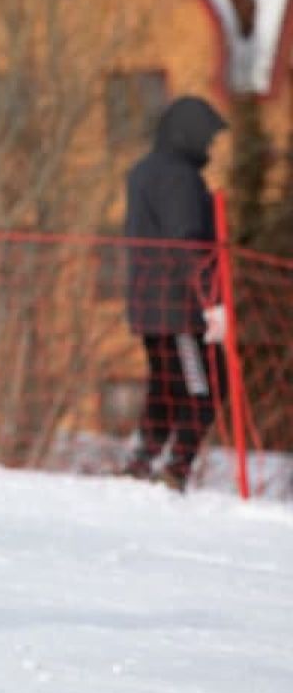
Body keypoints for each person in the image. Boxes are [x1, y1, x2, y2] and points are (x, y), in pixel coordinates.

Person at [121, 95, 228, 493]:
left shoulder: (144, 171)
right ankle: (175, 469)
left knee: (166, 384)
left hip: (149, 302)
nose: (209, 149)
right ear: (187, 136)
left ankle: (142, 462)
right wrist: (210, 304)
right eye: (207, 140)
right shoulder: (179, 178)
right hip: (177, 307)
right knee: (206, 386)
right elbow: (188, 243)